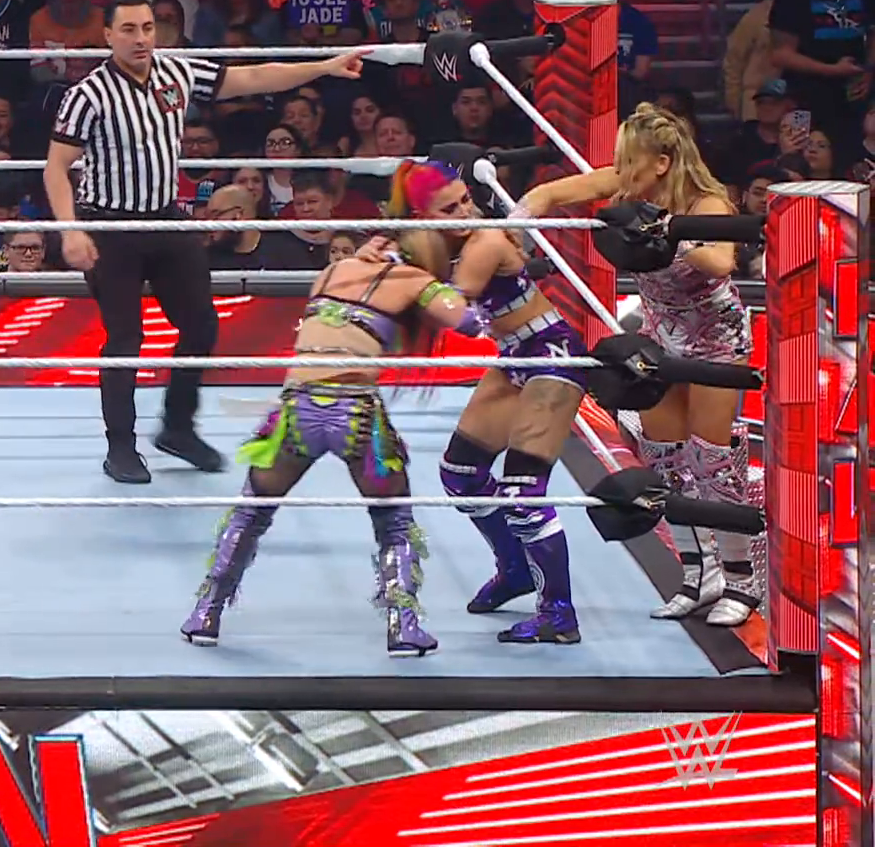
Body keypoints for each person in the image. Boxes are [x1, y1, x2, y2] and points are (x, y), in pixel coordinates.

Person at [45, 0, 364, 484]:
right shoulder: (88, 95)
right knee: (126, 338)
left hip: (165, 219)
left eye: (147, 28)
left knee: (201, 324)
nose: (140, 38)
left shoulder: (177, 72)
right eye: (128, 29)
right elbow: (56, 167)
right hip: (109, 226)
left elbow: (252, 78)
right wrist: (71, 231)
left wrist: (323, 66)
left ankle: (178, 427)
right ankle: (120, 447)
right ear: (107, 35)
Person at [183, 228, 488, 656]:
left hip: (297, 410)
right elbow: (469, 323)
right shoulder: (415, 281)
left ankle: (205, 613)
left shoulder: (333, 271)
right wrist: (468, 277)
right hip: (355, 413)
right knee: (394, 520)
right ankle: (403, 626)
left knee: (252, 509)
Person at [517, 104, 754, 626]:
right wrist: (522, 217)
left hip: (715, 341)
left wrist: (669, 233)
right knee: (664, 458)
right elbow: (555, 192)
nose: (620, 171)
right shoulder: (629, 188)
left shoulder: (707, 203)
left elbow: (722, 262)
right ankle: (699, 573)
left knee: (712, 458)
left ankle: (741, 580)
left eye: (630, 160)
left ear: (662, 163)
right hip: (660, 337)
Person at [380, 160, 586, 645]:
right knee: (461, 474)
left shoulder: (486, 241)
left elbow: (454, 307)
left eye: (465, 200)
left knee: (522, 494)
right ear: (423, 216)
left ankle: (559, 614)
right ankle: (515, 569)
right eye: (449, 208)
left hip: (552, 356)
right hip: (514, 356)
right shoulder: (434, 243)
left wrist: (392, 277)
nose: (465, 212)